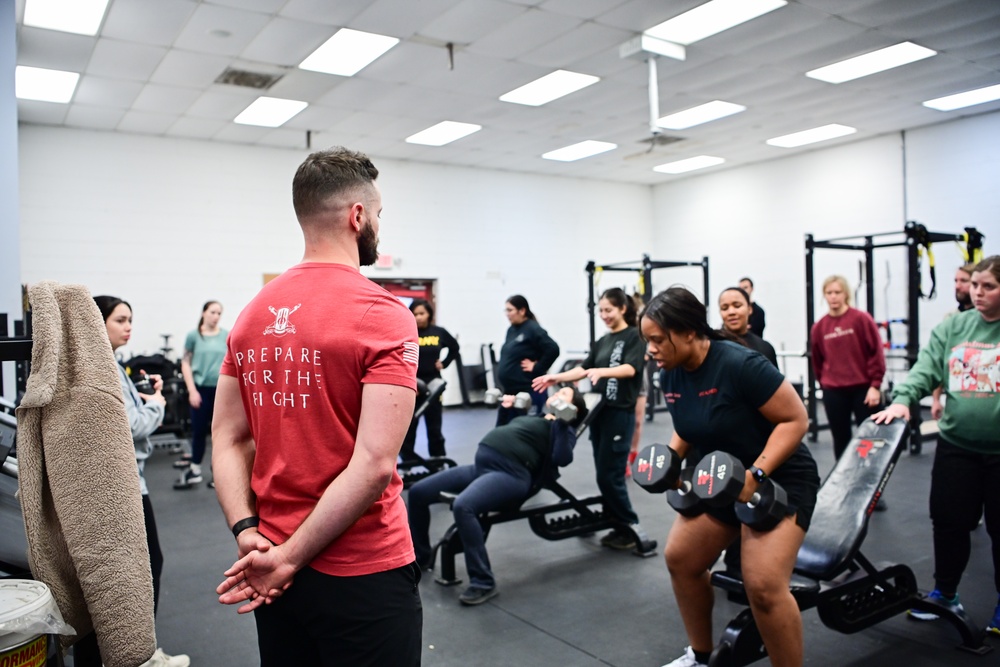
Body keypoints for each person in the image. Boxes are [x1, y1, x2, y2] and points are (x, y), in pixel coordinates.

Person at [211, 147, 422, 666]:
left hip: (270, 562)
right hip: (360, 568)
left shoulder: (251, 314)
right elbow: (373, 465)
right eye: (377, 215)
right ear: (357, 216)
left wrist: (249, 533)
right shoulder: (384, 313)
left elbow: (227, 438)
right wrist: (285, 560)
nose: (376, 225)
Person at [640, 287, 819, 667]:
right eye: (647, 341)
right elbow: (690, 424)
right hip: (718, 476)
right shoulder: (670, 375)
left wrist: (757, 472)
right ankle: (701, 657)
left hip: (778, 477)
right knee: (682, 559)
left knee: (764, 586)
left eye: (657, 340)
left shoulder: (740, 364)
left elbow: (795, 419)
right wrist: (672, 460)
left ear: (689, 332)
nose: (651, 350)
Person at [873, 255, 1000, 637]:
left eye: (988, 287)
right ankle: (946, 593)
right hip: (956, 446)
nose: (976, 293)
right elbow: (926, 368)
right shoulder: (955, 327)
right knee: (947, 523)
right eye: (974, 285)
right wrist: (903, 397)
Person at [407, 386, 588, 605]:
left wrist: (563, 421)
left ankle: (483, 582)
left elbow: (562, 458)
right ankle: (421, 557)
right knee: (417, 492)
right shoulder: (533, 417)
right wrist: (505, 411)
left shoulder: (562, 428)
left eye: (564, 395)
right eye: (558, 392)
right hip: (481, 467)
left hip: (510, 474)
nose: (557, 395)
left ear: (573, 407)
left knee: (463, 506)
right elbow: (500, 431)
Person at [92, 295, 190, 667]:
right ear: (98, 323)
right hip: (128, 485)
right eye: (120, 319)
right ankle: (141, 655)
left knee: (142, 566)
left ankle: (136, 651)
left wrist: (145, 396)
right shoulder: (105, 368)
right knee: (149, 566)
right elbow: (131, 425)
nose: (128, 326)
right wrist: (158, 405)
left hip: (127, 481)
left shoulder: (111, 366)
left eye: (130, 319)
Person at [533, 287, 646, 550]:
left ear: (622, 309)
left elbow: (631, 369)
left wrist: (602, 371)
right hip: (600, 414)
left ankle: (629, 527)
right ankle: (616, 524)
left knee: (612, 476)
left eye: (609, 310)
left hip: (620, 413)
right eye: (601, 311)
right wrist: (555, 377)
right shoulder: (603, 341)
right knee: (603, 473)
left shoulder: (634, 337)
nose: (604, 315)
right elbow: (584, 369)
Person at [810, 275, 886, 463]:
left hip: (863, 389)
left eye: (837, 292)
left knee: (868, 438)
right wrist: (826, 384)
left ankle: (870, 480)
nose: (833, 297)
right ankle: (843, 481)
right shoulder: (819, 327)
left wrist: (875, 385)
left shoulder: (861, 319)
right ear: (824, 296)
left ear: (846, 294)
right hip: (834, 391)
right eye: (829, 293)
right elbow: (817, 361)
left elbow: (876, 352)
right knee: (841, 439)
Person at [174, 300, 227, 489]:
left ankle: (218, 473)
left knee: (220, 434)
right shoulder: (193, 336)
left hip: (221, 391)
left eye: (219, 313)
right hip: (200, 390)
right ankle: (195, 469)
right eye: (212, 312)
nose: (216, 316)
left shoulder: (226, 336)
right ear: (204, 313)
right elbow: (185, 362)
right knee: (198, 432)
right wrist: (192, 391)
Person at [400, 298, 459, 460]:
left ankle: (438, 459)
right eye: (415, 313)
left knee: (434, 426)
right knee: (409, 427)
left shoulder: (439, 332)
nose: (418, 317)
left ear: (429, 314)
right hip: (413, 385)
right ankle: (408, 463)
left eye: (422, 313)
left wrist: (444, 363)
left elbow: (454, 347)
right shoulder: (406, 332)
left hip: (434, 385)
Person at [496, 294, 560, 419]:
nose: (507, 314)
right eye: (506, 310)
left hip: (528, 390)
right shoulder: (512, 330)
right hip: (510, 391)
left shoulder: (533, 329)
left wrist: (537, 367)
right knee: (504, 428)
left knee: (526, 428)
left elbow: (553, 349)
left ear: (522, 311)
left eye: (510, 310)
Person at [931, 264, 976, 419]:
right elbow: (939, 361)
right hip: (957, 402)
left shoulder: (989, 319)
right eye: (955, 281)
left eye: (964, 281)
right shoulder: (951, 319)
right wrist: (936, 399)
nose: (957, 286)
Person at [719, 286, 777, 368]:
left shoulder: (765, 348)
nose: (731, 312)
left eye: (737, 306)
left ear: (749, 309)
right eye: (724, 308)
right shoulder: (712, 345)